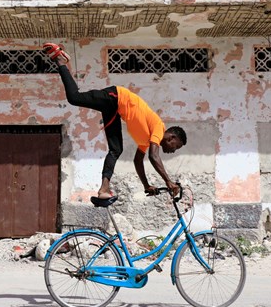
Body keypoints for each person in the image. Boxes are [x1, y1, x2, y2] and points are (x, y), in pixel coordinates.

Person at [43, 43, 187, 200]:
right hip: (116, 97)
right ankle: (61, 60)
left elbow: (138, 161)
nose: (173, 150)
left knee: (116, 150)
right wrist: (168, 181)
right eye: (176, 146)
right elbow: (153, 156)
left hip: (114, 110)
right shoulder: (159, 127)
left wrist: (146, 185)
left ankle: (103, 189)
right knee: (74, 98)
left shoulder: (147, 141)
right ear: (172, 137)